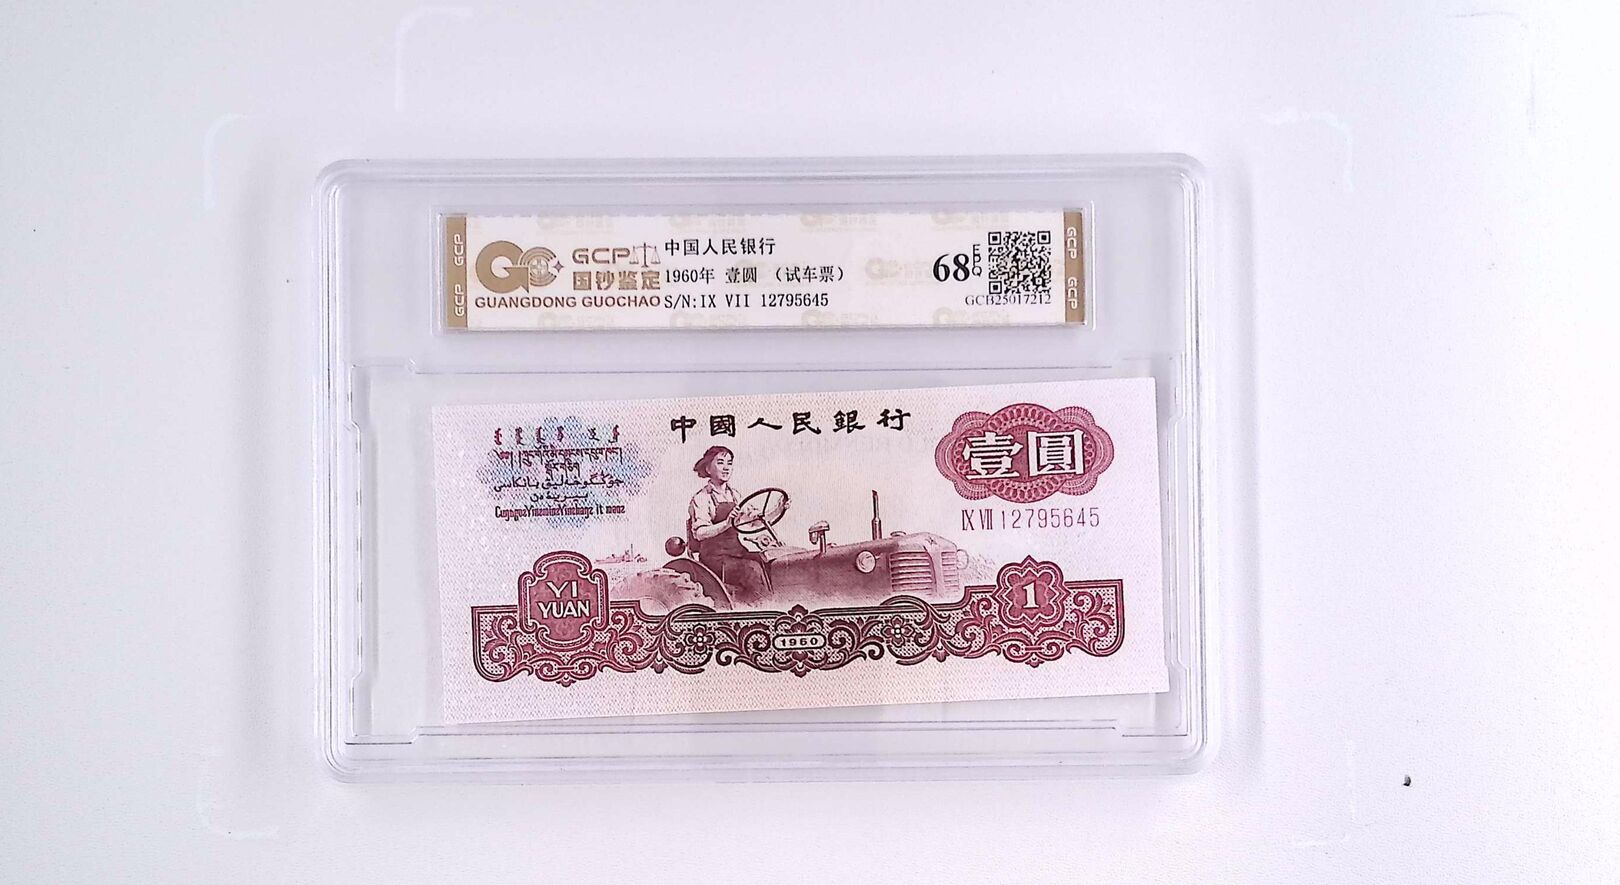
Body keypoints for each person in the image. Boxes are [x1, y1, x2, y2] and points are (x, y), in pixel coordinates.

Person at [686, 445, 771, 605]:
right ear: (708, 468)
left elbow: (754, 521)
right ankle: (762, 609)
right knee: (751, 570)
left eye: (729, 463)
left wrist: (778, 509)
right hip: (715, 559)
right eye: (720, 463)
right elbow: (700, 533)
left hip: (736, 553)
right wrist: (726, 524)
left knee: (767, 561)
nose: (726, 468)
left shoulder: (735, 495)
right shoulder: (702, 498)